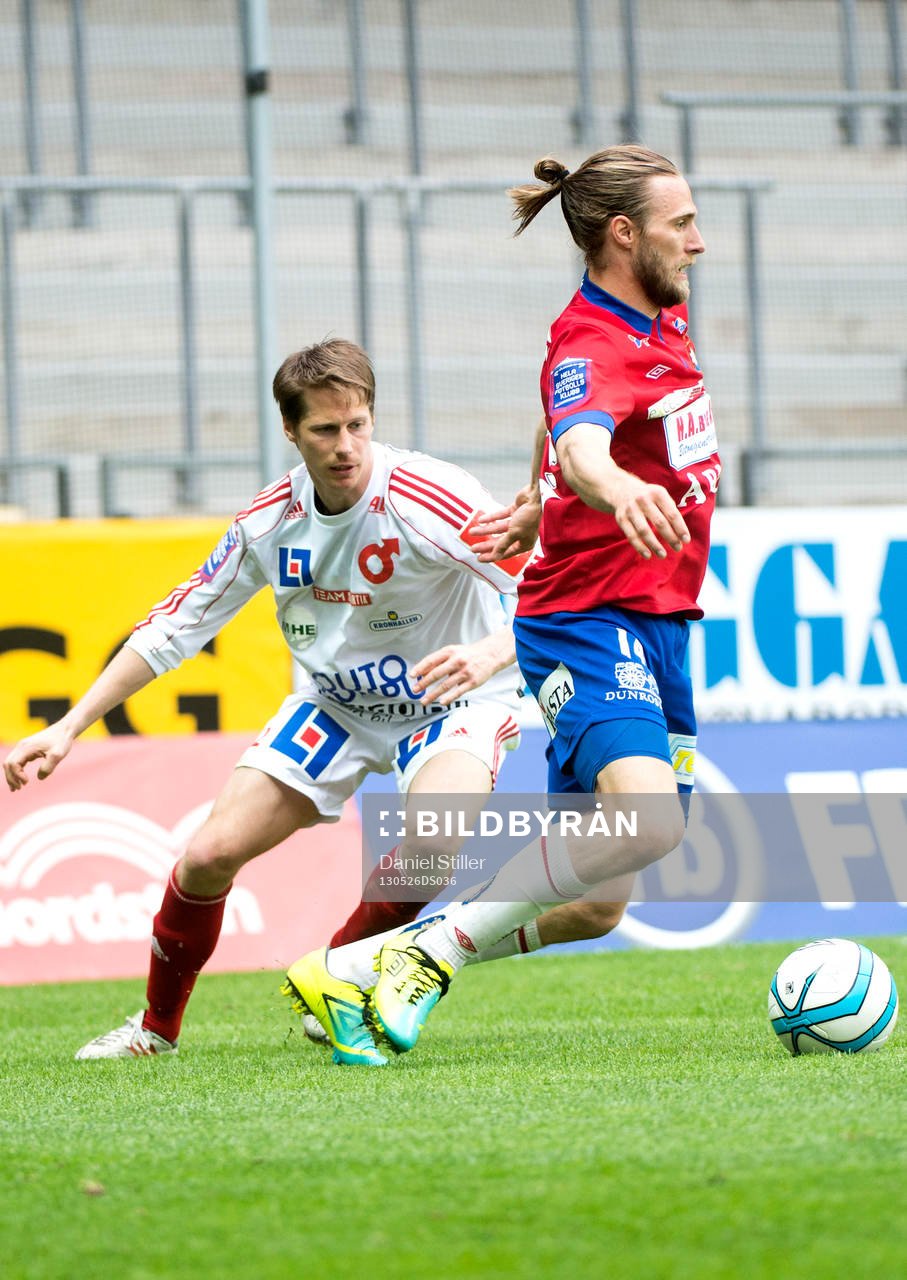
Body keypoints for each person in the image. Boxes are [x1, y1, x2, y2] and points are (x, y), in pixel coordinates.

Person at [3, 338, 624, 1065]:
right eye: (325, 431)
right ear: (291, 430)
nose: (344, 446)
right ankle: (154, 1031)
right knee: (206, 856)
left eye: (357, 424)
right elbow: (176, 625)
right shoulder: (268, 523)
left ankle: (337, 975)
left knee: (432, 839)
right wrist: (71, 725)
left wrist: (488, 654)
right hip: (336, 707)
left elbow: (549, 584)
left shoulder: (428, 497)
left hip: (449, 697)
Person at [292, 144, 720, 1058]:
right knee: (648, 819)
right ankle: (429, 956)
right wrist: (594, 487)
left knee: (597, 905)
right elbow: (583, 442)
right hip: (588, 621)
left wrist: (533, 501)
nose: (698, 242)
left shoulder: (654, 321)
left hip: (657, 620)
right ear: (621, 234)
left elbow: (553, 431)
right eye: (680, 224)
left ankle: (372, 963)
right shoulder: (595, 340)